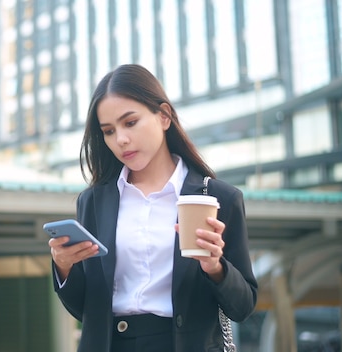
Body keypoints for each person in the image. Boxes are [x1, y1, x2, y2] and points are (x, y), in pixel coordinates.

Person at [48, 64, 258, 351]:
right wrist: (64, 267)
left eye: (130, 122)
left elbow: (243, 306)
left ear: (164, 116)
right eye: (108, 131)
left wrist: (215, 267)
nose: (120, 139)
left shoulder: (219, 198)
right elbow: (86, 310)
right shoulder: (94, 201)